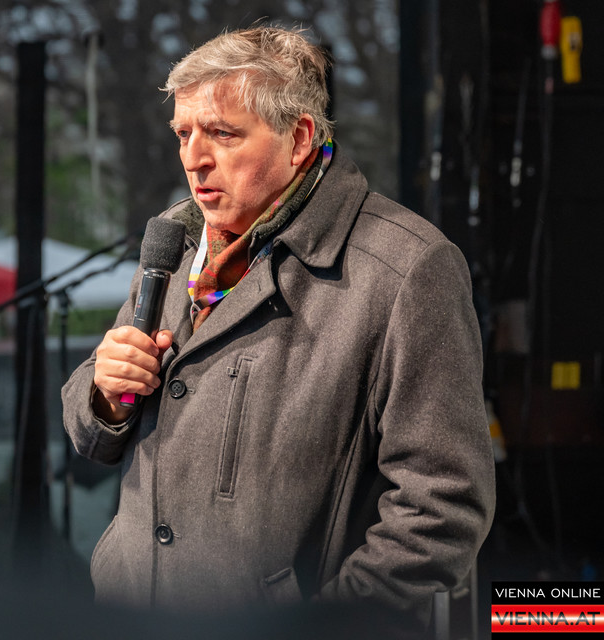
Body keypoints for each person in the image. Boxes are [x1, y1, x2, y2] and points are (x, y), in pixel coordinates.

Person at [61, 26, 495, 633]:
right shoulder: (176, 242)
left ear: (299, 138)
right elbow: (91, 432)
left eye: (222, 133)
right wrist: (106, 396)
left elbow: (443, 505)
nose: (193, 158)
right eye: (183, 133)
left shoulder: (408, 268)